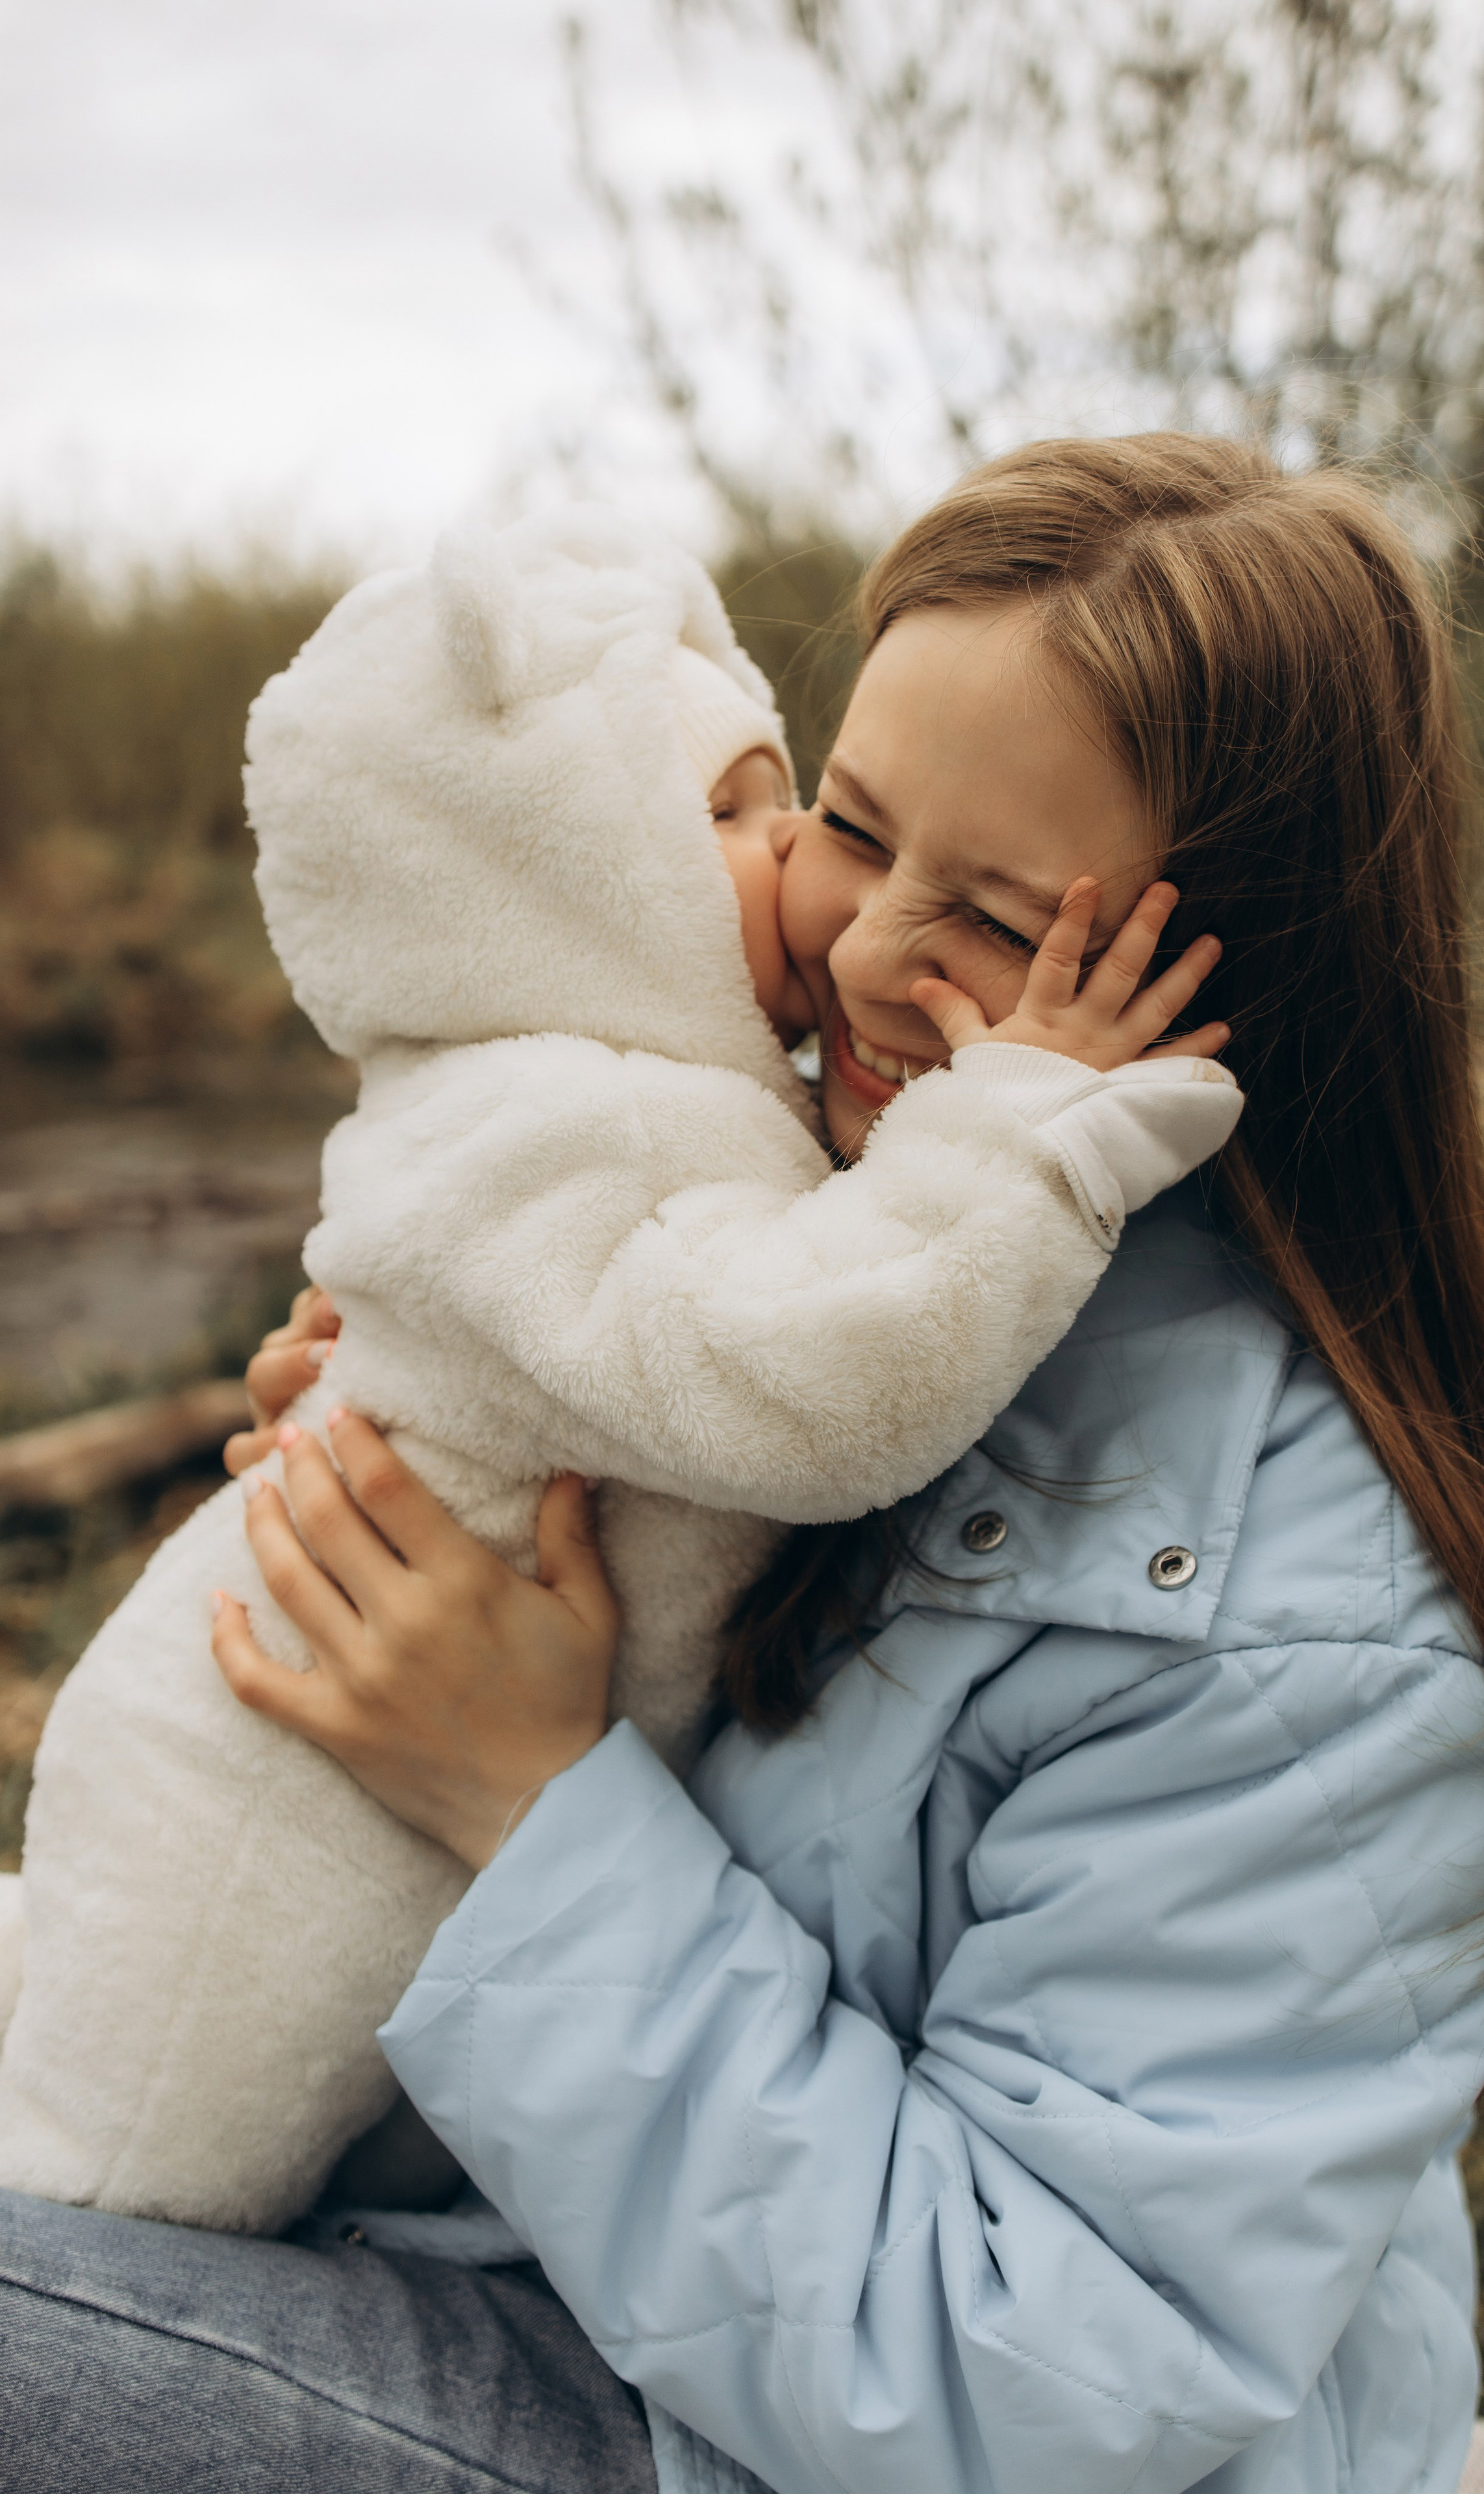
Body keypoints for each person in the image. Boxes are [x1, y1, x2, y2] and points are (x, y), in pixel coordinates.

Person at [0, 435, 1484, 2494]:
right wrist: (455, 1438)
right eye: (851, 828)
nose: (870, 953)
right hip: (529, 2251)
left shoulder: (1307, 1631)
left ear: (1255, 985)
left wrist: (526, 1800)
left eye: (1006, 921)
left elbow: (1021, 2390)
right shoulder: (802, 1232)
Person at [0, 509, 1235, 2239]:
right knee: (112, 2193)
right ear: (563, 880)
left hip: (426, 1818)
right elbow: (811, 1369)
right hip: (284, 1783)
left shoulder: (642, 1102)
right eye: (772, 819)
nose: (818, 871)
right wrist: (1026, 1136)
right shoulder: (597, 1120)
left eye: (777, 790)